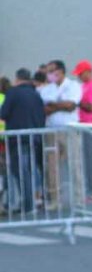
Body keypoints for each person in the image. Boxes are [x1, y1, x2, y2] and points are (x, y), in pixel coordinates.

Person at [0, 68, 46, 215]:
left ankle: (28, 204)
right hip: (34, 136)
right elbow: (42, 114)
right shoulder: (35, 94)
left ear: (17, 78)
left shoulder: (13, 93)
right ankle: (31, 201)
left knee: (20, 171)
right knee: (29, 170)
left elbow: (3, 113)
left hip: (17, 137)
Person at [39, 59, 83, 207]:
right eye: (48, 72)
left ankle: (78, 199)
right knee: (51, 166)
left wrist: (53, 105)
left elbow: (71, 105)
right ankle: (54, 199)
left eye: (52, 71)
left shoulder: (73, 86)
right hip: (51, 130)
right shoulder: (46, 89)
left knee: (75, 164)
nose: (49, 74)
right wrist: (60, 105)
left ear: (61, 71)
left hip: (70, 129)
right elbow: (44, 109)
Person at [74, 60, 92, 202]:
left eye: (81, 73)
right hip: (81, 125)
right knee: (82, 160)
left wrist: (76, 102)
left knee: (90, 160)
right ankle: (87, 189)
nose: (79, 76)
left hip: (90, 125)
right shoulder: (83, 86)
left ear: (89, 72)